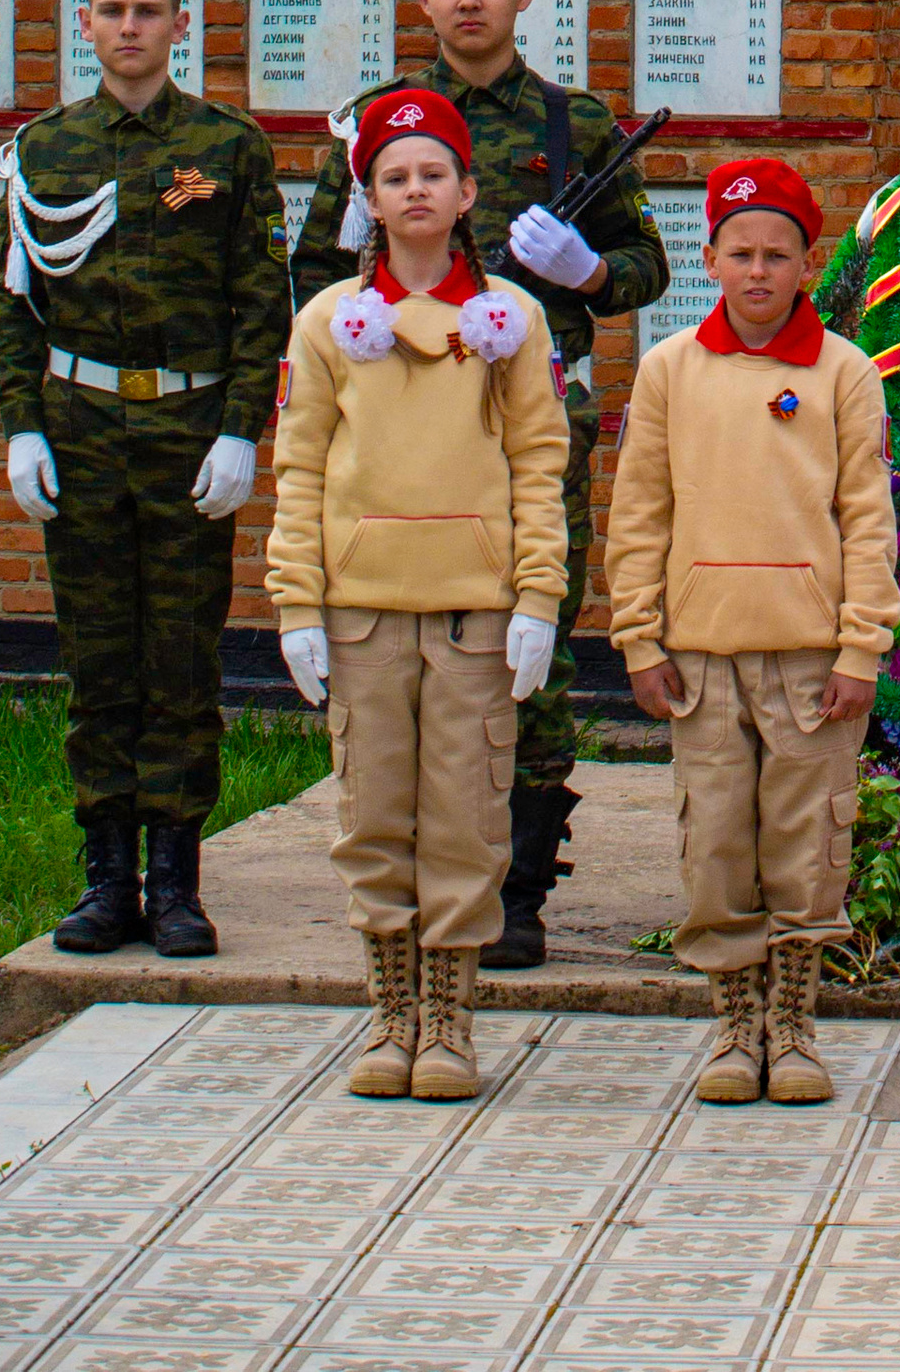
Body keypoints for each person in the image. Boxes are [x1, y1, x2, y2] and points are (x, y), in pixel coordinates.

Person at [291, 0, 668, 965]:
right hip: (404, 432)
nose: (468, 0)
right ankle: (410, 859)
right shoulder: (378, 123)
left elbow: (647, 264)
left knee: (526, 636)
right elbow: (317, 263)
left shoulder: (572, 124)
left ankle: (521, 882)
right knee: (411, 645)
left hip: (536, 420)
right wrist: (354, 310)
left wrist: (585, 274)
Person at [0, 0, 290, 960]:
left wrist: (243, 430)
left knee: (181, 654)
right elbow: (15, 307)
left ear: (177, 24)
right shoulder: (44, 150)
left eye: (147, 12)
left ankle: (176, 880)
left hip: (186, 427)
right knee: (98, 657)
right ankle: (105, 876)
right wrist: (22, 425)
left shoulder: (230, 147)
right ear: (85, 23)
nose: (129, 27)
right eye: (112, 11)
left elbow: (262, 302)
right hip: (79, 429)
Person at [270, 86, 570, 1100]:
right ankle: (389, 1010)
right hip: (361, 608)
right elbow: (301, 468)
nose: (414, 191)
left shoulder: (508, 319)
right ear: (371, 197)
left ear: (465, 190)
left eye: (432, 173)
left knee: (464, 817)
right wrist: (296, 605)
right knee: (371, 813)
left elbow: (538, 461)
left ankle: (449, 1016)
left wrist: (537, 598)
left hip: (471, 609)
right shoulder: (329, 324)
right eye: (393, 177)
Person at [604, 156, 899, 1108]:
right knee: (719, 845)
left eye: (778, 254)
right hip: (700, 658)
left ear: (810, 262)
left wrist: (862, 647)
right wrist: (640, 638)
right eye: (741, 253)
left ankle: (797, 1027)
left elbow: (867, 517)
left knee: (806, 846)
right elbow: (640, 513)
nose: (759, 272)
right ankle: (736, 1027)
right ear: (711, 258)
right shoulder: (668, 371)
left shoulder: (844, 374)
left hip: (812, 659)